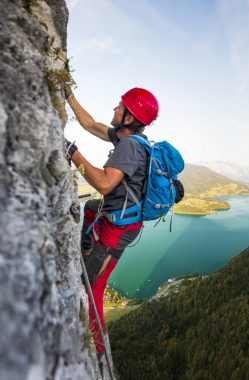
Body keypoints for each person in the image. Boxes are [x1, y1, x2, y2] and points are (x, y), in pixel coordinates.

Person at [64, 87, 159, 356]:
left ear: (129, 118)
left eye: (120, 106)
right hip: (120, 219)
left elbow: (105, 184)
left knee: (91, 287)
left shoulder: (129, 146)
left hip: (118, 230)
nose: (115, 109)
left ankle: (95, 351)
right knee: (93, 207)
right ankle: (86, 248)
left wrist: (73, 153)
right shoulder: (126, 138)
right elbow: (90, 124)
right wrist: (69, 96)